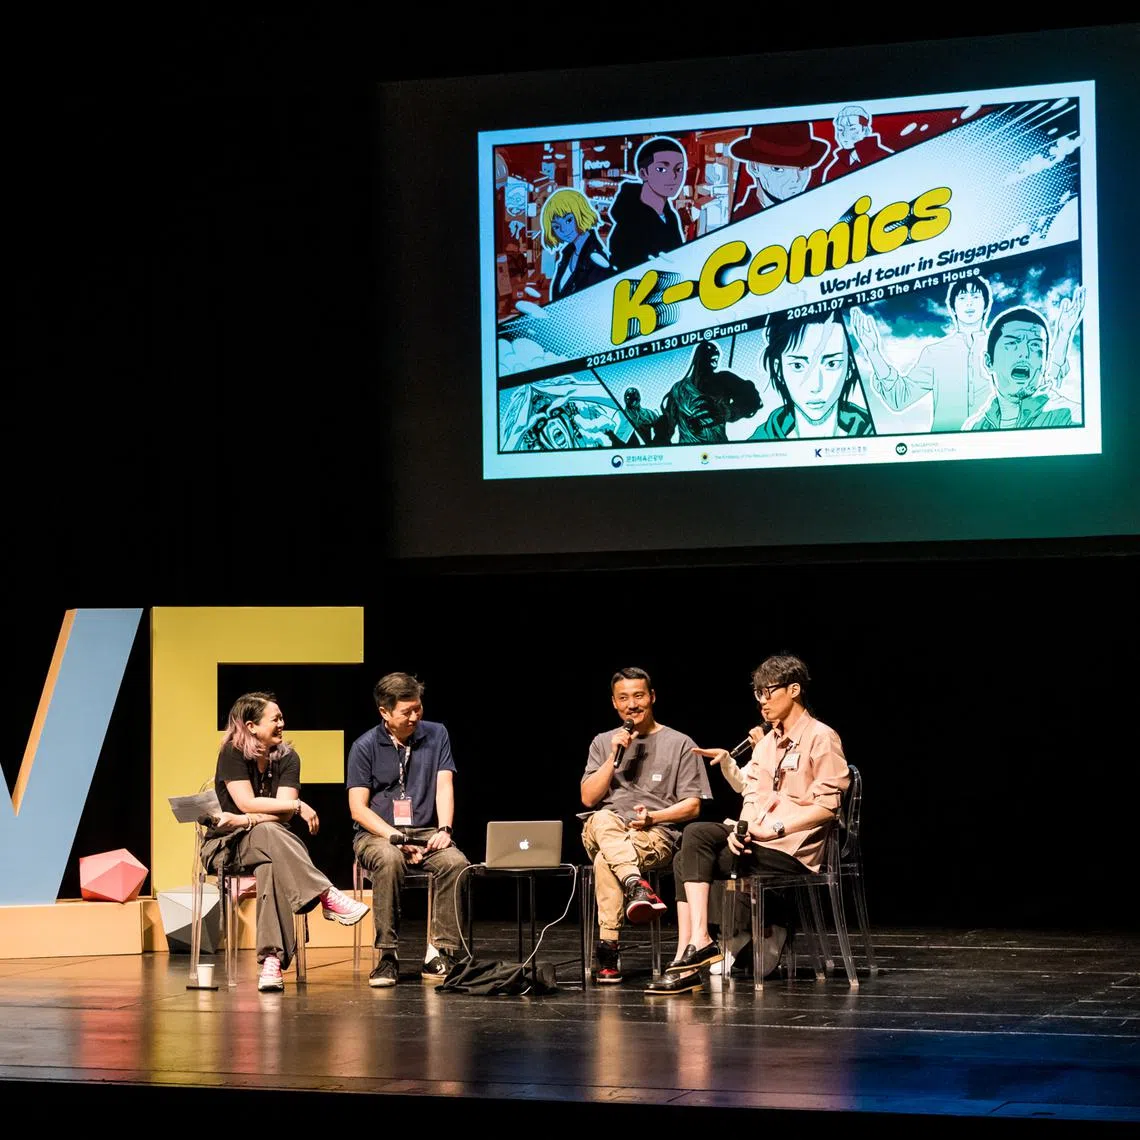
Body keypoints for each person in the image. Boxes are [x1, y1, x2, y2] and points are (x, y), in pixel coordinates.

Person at [645, 654, 849, 996]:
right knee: (694, 836)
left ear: (794, 690)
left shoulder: (821, 737)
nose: (762, 702)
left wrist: (777, 828)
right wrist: (742, 830)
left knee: (689, 855)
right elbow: (752, 797)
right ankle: (696, 944)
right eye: (757, 694)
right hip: (758, 841)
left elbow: (828, 807)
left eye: (768, 692)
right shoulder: (767, 744)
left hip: (793, 849)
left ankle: (689, 954)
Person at [201, 692, 369, 993]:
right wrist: (293, 807)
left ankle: (271, 962)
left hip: (268, 845)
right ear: (251, 726)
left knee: (271, 868)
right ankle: (325, 894)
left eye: (281, 718)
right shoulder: (232, 753)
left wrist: (246, 818)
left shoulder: (289, 758)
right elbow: (249, 802)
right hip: (226, 846)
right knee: (271, 835)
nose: (282, 723)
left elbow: (275, 813)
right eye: (275, 718)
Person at [580, 667, 712, 985]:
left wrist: (654, 817)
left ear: (652, 697)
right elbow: (588, 798)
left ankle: (609, 947)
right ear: (614, 703)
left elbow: (693, 806)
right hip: (607, 828)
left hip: (654, 833)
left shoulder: (680, 743)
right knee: (600, 817)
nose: (632, 704)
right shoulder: (603, 743)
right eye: (623, 698)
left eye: (638, 696)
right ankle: (636, 884)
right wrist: (613, 756)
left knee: (604, 860)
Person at [347, 672, 470, 988]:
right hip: (377, 834)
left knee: (456, 863)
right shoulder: (364, 746)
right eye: (407, 711)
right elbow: (358, 809)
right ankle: (388, 955)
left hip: (425, 830)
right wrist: (395, 837)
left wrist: (444, 828)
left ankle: (440, 951)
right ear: (385, 712)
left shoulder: (437, 734)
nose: (415, 716)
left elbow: (444, 785)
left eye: (418, 708)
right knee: (389, 859)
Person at [850, 278, 993, 433]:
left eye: (976, 297)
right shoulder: (935, 353)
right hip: (946, 449)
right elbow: (900, 398)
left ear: (986, 305)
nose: (969, 303)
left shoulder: (1003, 347)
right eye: (963, 298)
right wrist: (873, 352)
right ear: (952, 307)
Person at [748, 310, 874, 439]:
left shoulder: (873, 429)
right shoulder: (758, 441)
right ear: (779, 370)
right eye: (797, 365)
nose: (815, 386)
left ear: (850, 367)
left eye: (832, 364)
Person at [964, 297, 1084, 430]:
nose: (1024, 353)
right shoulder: (975, 426)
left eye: (1034, 345)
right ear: (988, 362)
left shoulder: (1070, 417)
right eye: (1012, 343)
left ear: (1047, 362)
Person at [607, 136, 687, 273]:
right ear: (644, 173)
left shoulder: (670, 216)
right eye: (662, 169)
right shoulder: (629, 222)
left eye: (679, 169)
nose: (673, 176)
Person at [659, 340, 762, 444]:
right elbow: (667, 424)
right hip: (688, 452)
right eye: (709, 351)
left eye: (715, 351)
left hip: (718, 451)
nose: (714, 351)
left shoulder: (723, 379)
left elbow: (753, 399)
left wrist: (728, 412)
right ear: (699, 358)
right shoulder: (679, 389)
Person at [728, 121, 829, 221]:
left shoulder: (818, 213)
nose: (795, 179)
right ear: (754, 167)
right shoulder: (741, 220)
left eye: (802, 167)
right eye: (778, 169)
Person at [540, 187, 614, 302]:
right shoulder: (568, 254)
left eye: (569, 220)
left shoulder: (596, 259)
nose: (563, 230)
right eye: (556, 226)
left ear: (581, 214)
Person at [820, 104, 894, 183]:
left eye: (852, 128)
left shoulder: (885, 158)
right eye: (840, 129)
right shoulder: (834, 170)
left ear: (865, 130)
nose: (844, 134)